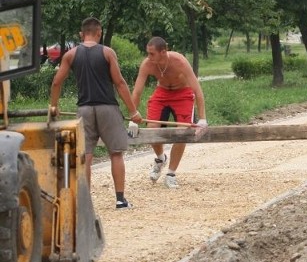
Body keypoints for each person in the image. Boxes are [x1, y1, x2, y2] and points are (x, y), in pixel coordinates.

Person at [49, 17, 142, 209]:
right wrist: (133, 111)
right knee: (116, 154)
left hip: (84, 110)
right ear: (99, 33)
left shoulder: (71, 54)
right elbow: (120, 83)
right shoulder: (107, 52)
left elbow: (56, 82)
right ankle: (120, 200)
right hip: (108, 108)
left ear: (81, 34)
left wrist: (54, 106)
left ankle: (85, 204)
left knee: (86, 156)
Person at [131, 36, 207, 189]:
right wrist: (133, 117)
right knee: (152, 129)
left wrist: (203, 118)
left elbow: (197, 90)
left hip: (183, 93)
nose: (148, 57)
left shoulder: (180, 61)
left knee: (182, 132)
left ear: (163, 52)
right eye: (148, 53)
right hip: (162, 93)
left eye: (152, 54)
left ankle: (171, 173)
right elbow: (137, 91)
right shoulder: (147, 64)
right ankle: (160, 159)